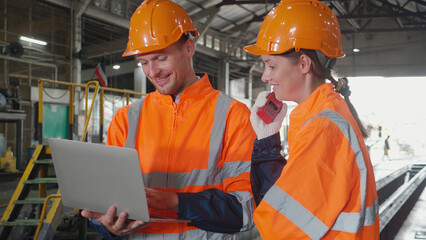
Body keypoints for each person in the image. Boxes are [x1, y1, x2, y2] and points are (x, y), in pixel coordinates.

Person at [81, 0, 256, 239]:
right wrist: (107, 226)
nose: (153, 72)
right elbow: (109, 203)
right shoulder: (126, 119)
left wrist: (175, 202)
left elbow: (244, 209)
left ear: (189, 48)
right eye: (144, 62)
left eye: (161, 59)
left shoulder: (233, 116)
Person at [243, 0, 380, 239]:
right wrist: (268, 137)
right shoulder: (323, 115)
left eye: (271, 65)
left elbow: (279, 224)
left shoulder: (323, 128)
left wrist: (266, 148)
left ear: (304, 64)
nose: (265, 76)